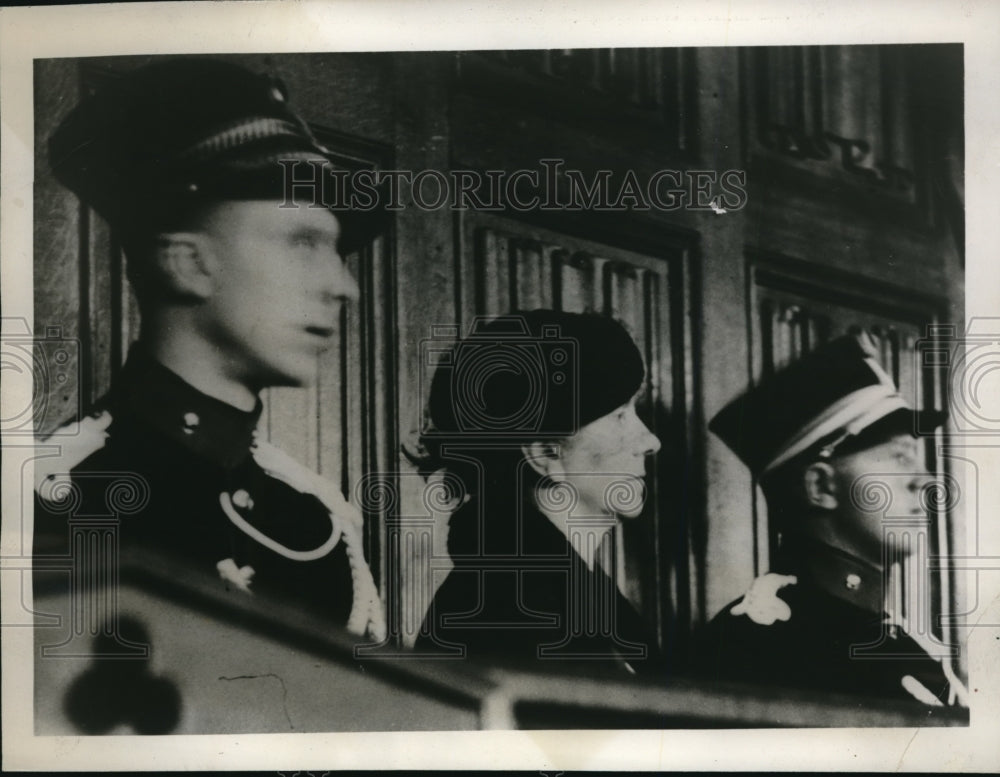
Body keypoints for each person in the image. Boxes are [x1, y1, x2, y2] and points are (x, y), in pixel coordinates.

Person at [33, 59, 387, 657]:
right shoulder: (49, 496)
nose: (344, 286)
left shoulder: (320, 519)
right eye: (302, 244)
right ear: (187, 262)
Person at [699, 334, 967, 707]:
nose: (925, 480)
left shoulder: (904, 642)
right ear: (820, 486)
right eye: (900, 457)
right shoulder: (762, 647)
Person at [413, 310, 667, 678]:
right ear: (545, 453)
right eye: (618, 416)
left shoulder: (555, 592)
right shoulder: (510, 612)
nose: (651, 441)